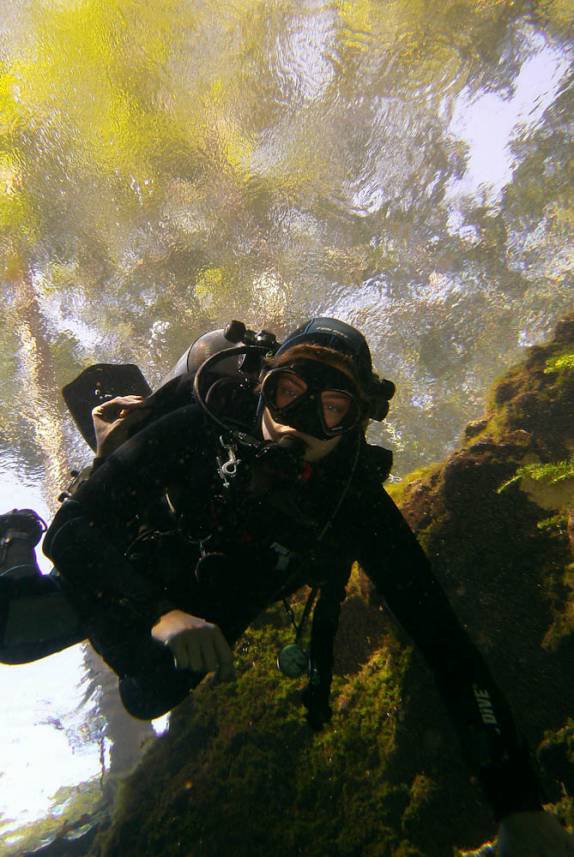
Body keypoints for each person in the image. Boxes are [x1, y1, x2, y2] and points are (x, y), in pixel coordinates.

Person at [0, 318, 572, 857]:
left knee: (146, 695)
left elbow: (443, 640)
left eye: (330, 408)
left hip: (199, 611)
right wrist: (159, 611)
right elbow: (72, 532)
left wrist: (518, 803)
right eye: (289, 393)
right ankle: (13, 536)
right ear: (263, 387)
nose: (296, 420)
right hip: (125, 567)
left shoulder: (352, 504)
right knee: (13, 635)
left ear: (355, 422)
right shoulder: (203, 424)